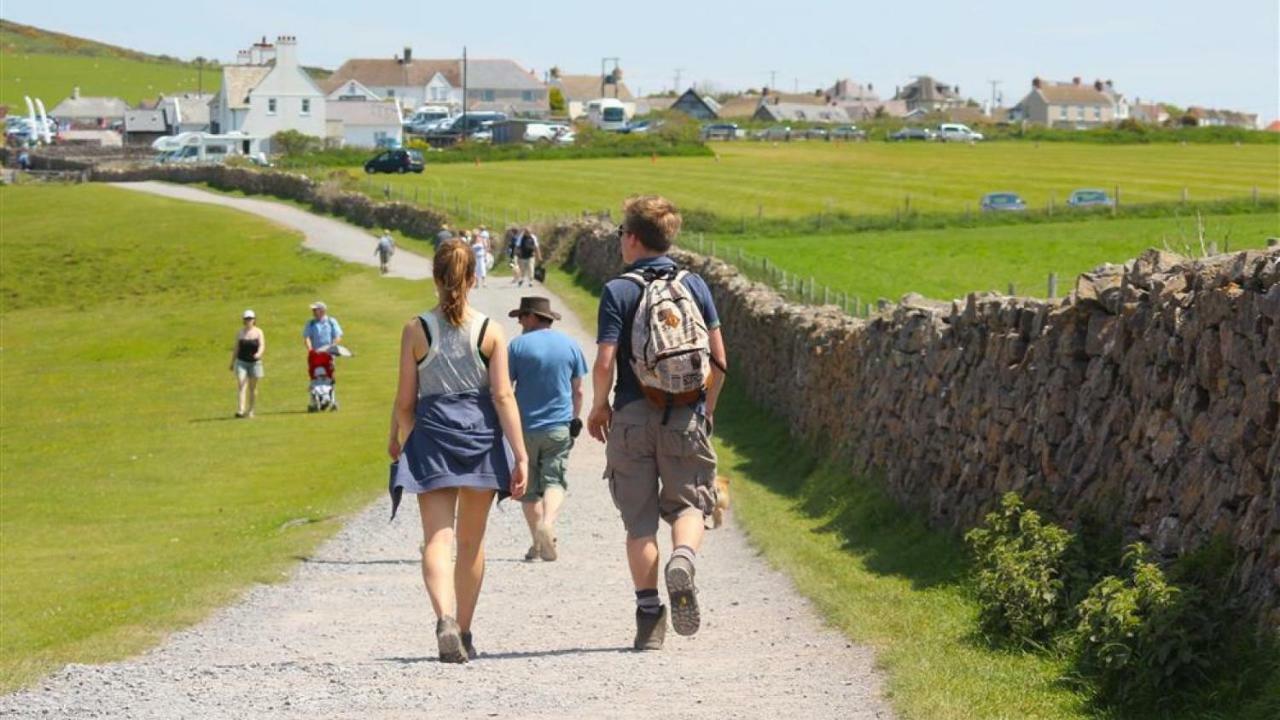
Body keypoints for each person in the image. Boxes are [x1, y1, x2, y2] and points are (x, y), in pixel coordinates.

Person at [587, 195, 728, 651]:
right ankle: (682, 559)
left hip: (631, 414)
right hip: (685, 413)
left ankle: (649, 621)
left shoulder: (619, 290)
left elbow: (605, 359)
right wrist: (705, 410)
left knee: (640, 525)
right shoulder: (695, 284)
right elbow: (720, 361)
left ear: (631, 238)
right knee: (689, 506)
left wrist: (598, 406)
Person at [387, 239, 529, 663]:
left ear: (435, 277)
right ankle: (464, 631)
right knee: (471, 542)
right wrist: (520, 455)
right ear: (473, 278)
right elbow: (503, 396)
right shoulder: (491, 331)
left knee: (436, 538)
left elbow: (405, 400)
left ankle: (444, 617)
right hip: (481, 439)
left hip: (431, 435)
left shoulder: (416, 329)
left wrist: (401, 437)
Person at [506, 296, 587, 562]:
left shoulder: (516, 347)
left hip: (524, 428)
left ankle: (537, 544)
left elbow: (504, 390)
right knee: (555, 480)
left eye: (521, 317)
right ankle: (548, 524)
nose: (519, 322)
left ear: (531, 317)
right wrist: (574, 419)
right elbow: (578, 390)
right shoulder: (570, 345)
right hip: (558, 427)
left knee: (528, 490)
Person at [229, 309, 266, 418]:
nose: (248, 321)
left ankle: (251, 410)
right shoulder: (240, 333)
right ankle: (241, 409)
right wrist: (232, 362)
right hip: (242, 362)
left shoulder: (259, 332)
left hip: (254, 363)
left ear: (254, 320)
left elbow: (262, 345)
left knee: (252, 387)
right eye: (246, 319)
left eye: (250, 319)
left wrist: (259, 354)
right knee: (241, 383)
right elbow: (236, 348)